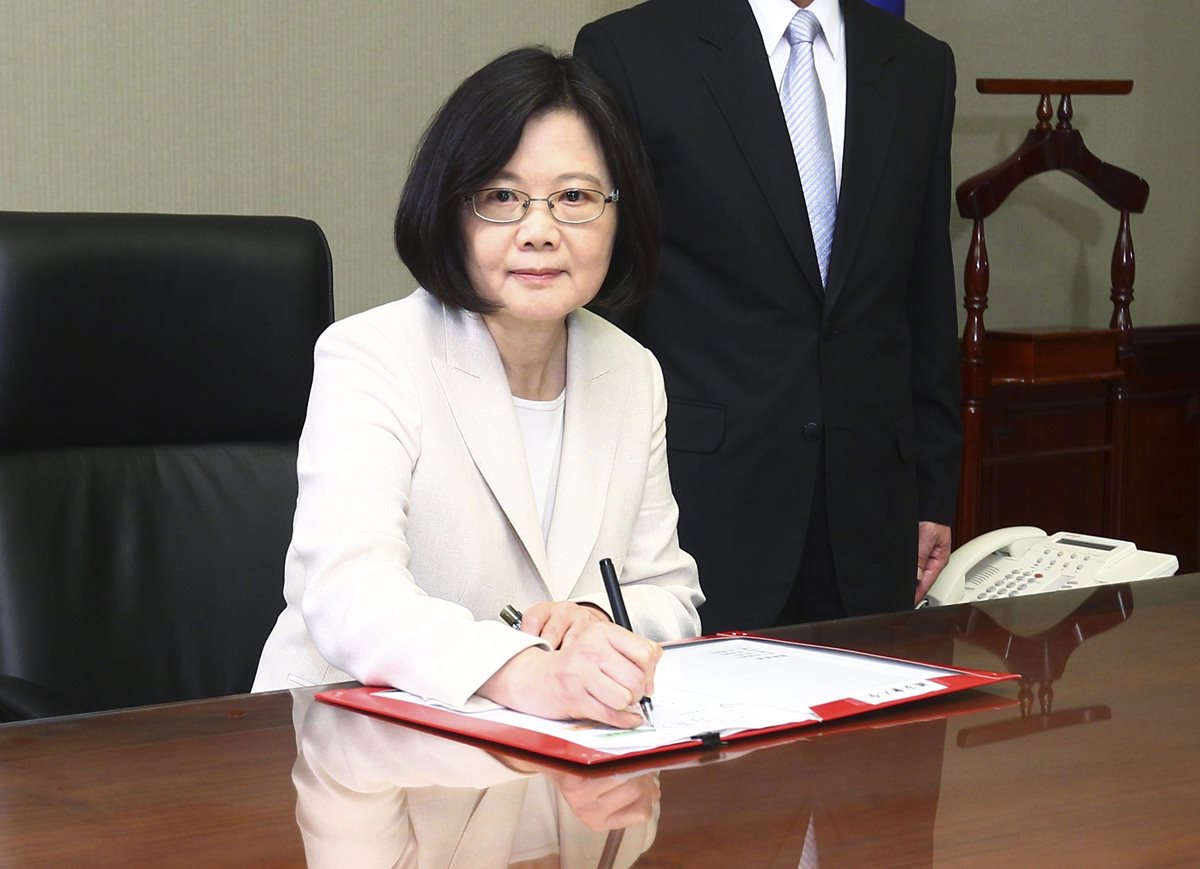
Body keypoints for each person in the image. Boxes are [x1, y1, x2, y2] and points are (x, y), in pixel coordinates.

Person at [253, 47, 703, 729]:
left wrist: (591, 621)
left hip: (554, 762)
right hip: (356, 750)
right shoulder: (372, 355)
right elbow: (349, 593)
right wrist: (525, 669)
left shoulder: (631, 369)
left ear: (621, 212)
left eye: (575, 197)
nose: (540, 231)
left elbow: (667, 592)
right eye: (502, 198)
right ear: (451, 210)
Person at [574, 0, 961, 631]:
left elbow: (924, 287)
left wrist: (934, 490)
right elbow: (606, 300)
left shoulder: (919, 64)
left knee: (879, 728)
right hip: (699, 499)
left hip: (872, 512)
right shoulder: (631, 51)